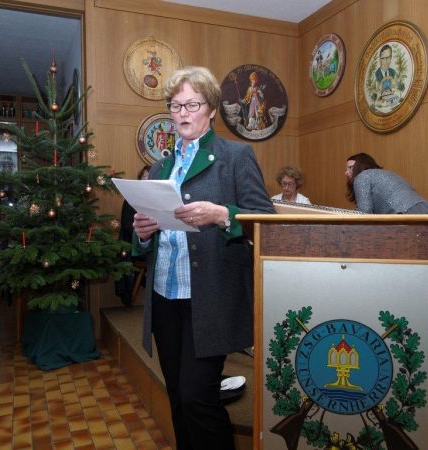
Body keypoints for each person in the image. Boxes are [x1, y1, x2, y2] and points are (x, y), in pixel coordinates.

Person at [133, 66, 274, 450]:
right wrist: (142, 232)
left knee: (199, 397)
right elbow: (146, 234)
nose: (182, 113)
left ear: (211, 109)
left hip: (209, 298)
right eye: (175, 105)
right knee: (178, 396)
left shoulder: (236, 156)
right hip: (164, 296)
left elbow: (265, 221)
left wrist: (223, 215)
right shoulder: (161, 166)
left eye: (192, 104)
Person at [345, 152, 428, 214]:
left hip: (406, 213)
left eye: (350, 167)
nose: (346, 173)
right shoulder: (387, 173)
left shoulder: (362, 176)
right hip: (427, 209)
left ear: (360, 165)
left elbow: (364, 212)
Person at [115, 165, 150, 306]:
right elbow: (127, 225)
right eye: (145, 177)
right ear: (139, 180)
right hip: (136, 245)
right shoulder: (131, 199)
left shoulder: (159, 199)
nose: (148, 180)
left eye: (151, 177)